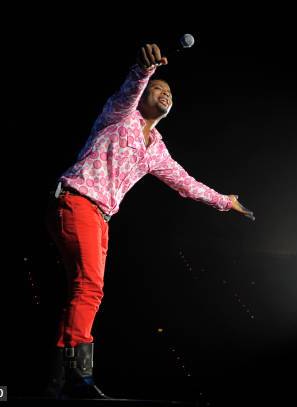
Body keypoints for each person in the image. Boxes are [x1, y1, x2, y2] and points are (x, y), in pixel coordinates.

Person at [44, 43, 254, 399]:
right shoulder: (120, 115)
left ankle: (57, 381)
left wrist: (225, 201)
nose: (164, 93)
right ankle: (79, 378)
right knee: (91, 288)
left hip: (101, 216)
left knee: (82, 291)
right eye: (159, 88)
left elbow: (186, 183)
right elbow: (130, 89)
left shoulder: (156, 149)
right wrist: (144, 70)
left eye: (169, 92)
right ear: (144, 97)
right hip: (77, 202)